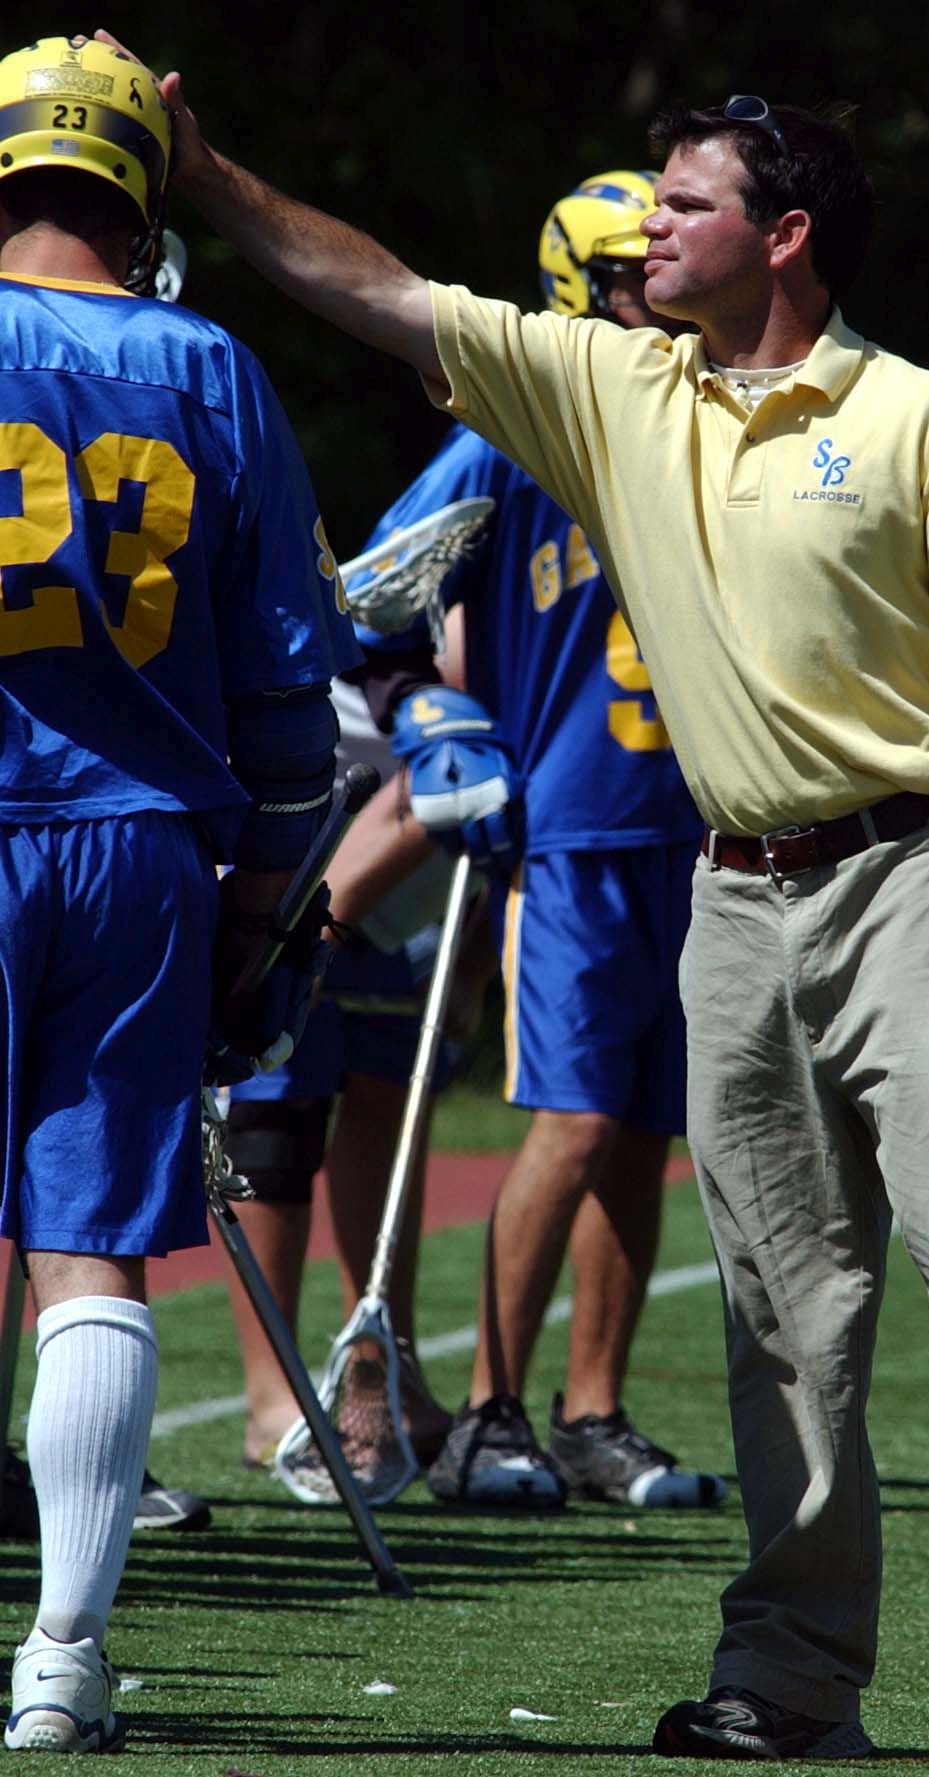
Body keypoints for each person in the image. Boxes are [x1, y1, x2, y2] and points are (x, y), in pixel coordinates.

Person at [138, 51, 929, 1756]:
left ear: (785, 236)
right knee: (776, 1301)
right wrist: (207, 177)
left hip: (923, 873)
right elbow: (378, 293)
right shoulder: (615, 386)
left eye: (682, 205)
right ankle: (792, 1673)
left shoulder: (923, 415)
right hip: (729, 901)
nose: (644, 230)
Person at [0, 34, 359, 1753]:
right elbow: (291, 698)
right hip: (142, 848)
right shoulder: (211, 366)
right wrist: (259, 917)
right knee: (94, 1251)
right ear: (142, 195)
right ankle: (63, 1657)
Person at [348, 170, 721, 1513]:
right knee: (572, 1118)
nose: (657, 297)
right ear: (579, 288)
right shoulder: (509, 435)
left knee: (645, 1128)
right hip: (569, 827)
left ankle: (592, 1413)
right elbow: (370, 597)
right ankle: (488, 1410)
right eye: (629, 277)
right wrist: (426, 706)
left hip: (697, 827)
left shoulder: (710, 419)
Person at [223, 673, 504, 1477]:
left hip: (416, 862)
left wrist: (474, 958)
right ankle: (271, 1394)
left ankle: (378, 1371)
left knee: (390, 1100)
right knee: (274, 1112)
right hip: (302, 816)